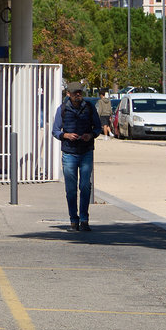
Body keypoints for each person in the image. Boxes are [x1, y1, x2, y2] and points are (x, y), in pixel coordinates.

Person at [51, 81, 104, 232]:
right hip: (69, 153)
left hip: (86, 151)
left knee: (85, 186)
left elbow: (98, 127)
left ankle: (84, 220)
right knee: (71, 189)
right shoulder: (62, 109)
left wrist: (91, 135)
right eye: (75, 93)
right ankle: (73, 220)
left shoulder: (89, 107)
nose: (78, 95)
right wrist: (65, 135)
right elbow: (55, 131)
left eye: (79, 92)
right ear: (68, 94)